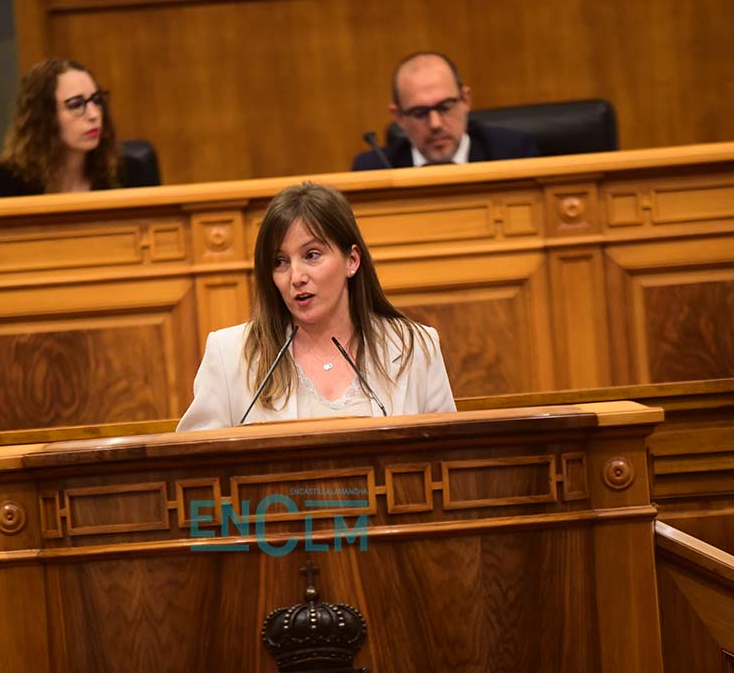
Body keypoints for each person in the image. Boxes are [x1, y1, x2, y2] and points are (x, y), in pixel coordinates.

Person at [177, 182, 456, 431]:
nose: (296, 277)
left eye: (312, 255)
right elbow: (196, 470)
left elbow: (447, 461)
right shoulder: (231, 355)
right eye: (280, 262)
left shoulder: (415, 347)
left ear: (352, 260)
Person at [351, 52, 539, 170]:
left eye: (445, 107)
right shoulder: (373, 170)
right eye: (420, 112)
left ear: (465, 100)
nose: (435, 124)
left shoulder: (513, 154)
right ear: (398, 116)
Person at [0, 58, 120, 197]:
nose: (94, 114)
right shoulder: (6, 183)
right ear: (44, 116)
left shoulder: (125, 173)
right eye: (76, 105)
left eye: (97, 100)